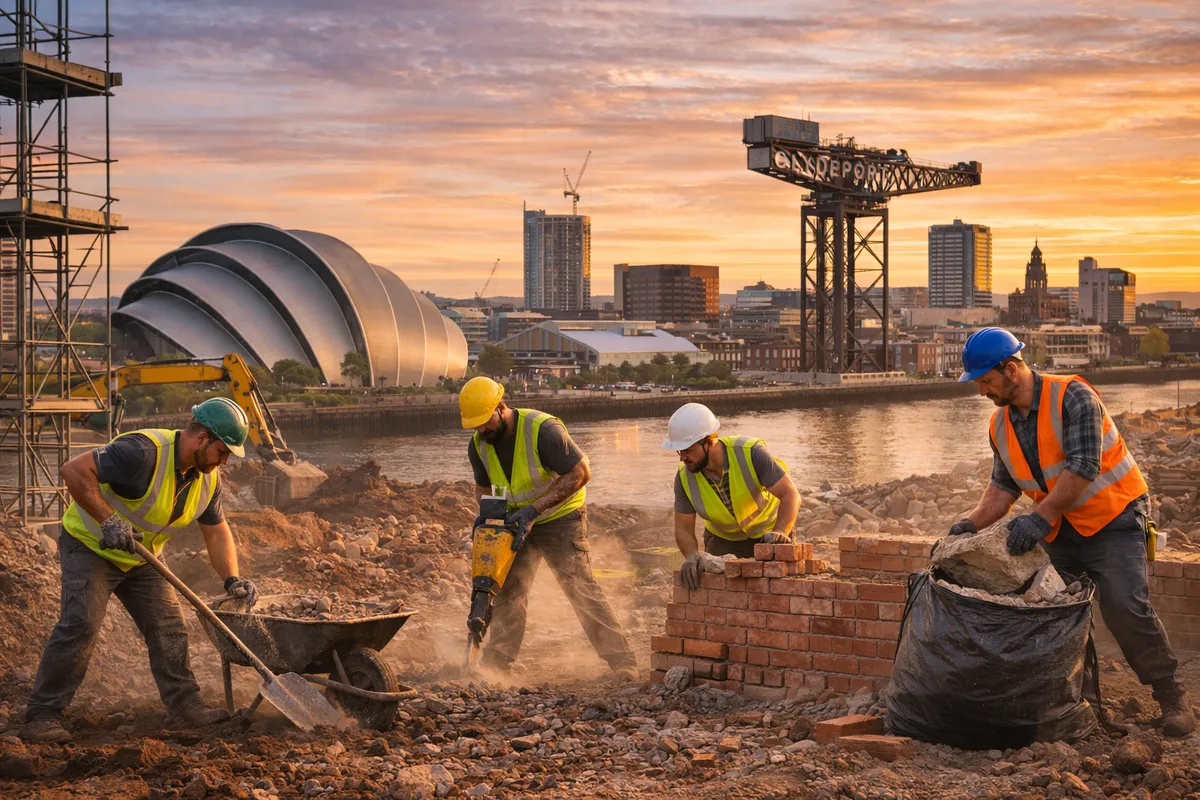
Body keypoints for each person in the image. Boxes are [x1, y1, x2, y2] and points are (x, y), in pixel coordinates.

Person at [951, 327, 1195, 737]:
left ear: (1011, 370)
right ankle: (1083, 709)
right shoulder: (999, 424)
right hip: (1060, 525)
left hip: (1114, 518)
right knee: (1059, 615)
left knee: (1124, 606)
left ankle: (1172, 699)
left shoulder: (1073, 396)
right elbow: (1002, 488)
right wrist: (970, 523)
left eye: (986, 382)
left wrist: (1040, 518)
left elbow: (1083, 466)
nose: (981, 392)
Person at [22, 398, 260, 744]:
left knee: (169, 627)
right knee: (81, 623)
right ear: (202, 438)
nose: (225, 461)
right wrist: (110, 522)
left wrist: (232, 579)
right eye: (223, 451)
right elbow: (73, 470)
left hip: (140, 556)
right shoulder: (141, 452)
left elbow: (216, 530)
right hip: (90, 544)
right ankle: (42, 714)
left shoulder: (208, 479)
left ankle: (184, 704)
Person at [458, 376, 638, 680]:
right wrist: (489, 513)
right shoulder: (479, 445)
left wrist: (535, 510)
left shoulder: (543, 431)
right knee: (508, 592)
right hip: (515, 522)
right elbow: (484, 486)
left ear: (500, 407)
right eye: (474, 424)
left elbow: (581, 473)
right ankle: (497, 664)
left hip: (560, 518)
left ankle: (622, 660)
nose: (480, 430)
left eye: (484, 421)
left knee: (579, 586)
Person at [663, 403, 800, 589]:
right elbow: (683, 529)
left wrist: (781, 531)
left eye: (688, 450)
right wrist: (691, 555)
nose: (682, 458)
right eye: (680, 451)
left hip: (769, 534)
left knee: (780, 590)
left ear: (709, 442)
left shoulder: (751, 453)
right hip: (723, 539)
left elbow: (790, 495)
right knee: (720, 594)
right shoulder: (684, 477)